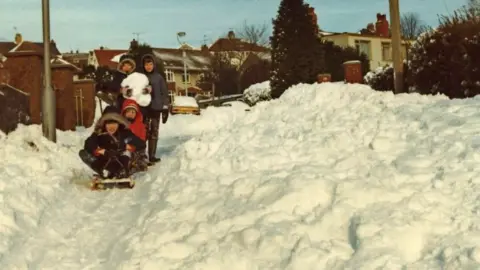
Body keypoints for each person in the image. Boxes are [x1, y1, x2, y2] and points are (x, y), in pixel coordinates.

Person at [78, 105, 145, 179]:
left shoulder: (124, 133)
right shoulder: (99, 133)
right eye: (109, 124)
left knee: (127, 152)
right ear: (104, 124)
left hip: (121, 160)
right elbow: (88, 144)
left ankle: (123, 171)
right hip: (106, 161)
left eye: (114, 123)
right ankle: (103, 171)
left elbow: (141, 144)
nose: (112, 127)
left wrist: (126, 146)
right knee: (83, 153)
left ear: (119, 123)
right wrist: (102, 151)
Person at [140, 54, 170, 164]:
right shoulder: (141, 77)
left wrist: (165, 108)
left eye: (150, 64)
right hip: (143, 109)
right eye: (146, 64)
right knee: (143, 133)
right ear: (143, 65)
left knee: (154, 133)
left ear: (154, 65)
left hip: (156, 109)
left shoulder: (158, 77)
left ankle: (152, 155)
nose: (148, 66)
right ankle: (141, 156)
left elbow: (164, 94)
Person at [121, 99, 149, 172]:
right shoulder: (121, 125)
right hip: (123, 147)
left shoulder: (140, 126)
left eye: (133, 112)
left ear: (136, 114)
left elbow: (142, 140)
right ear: (124, 113)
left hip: (136, 148)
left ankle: (138, 163)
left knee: (138, 155)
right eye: (128, 111)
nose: (131, 114)